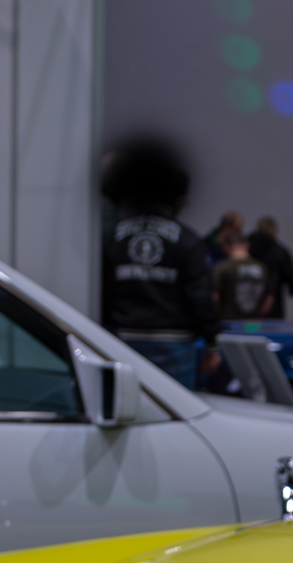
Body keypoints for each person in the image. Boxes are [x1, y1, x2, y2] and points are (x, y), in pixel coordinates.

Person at [100, 138, 218, 391]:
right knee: (173, 419)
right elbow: (200, 298)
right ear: (180, 199)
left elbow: (103, 289)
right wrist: (211, 343)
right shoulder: (188, 241)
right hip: (173, 342)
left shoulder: (114, 236)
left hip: (123, 337)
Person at [248, 216, 293, 318]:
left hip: (247, 311)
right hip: (273, 312)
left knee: (247, 333)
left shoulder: (246, 249)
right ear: (274, 230)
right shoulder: (280, 252)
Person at [213, 231, 272, 322]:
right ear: (247, 245)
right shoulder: (262, 267)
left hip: (228, 325)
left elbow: (214, 296)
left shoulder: (223, 268)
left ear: (225, 248)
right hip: (254, 326)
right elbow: (269, 300)